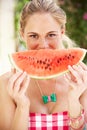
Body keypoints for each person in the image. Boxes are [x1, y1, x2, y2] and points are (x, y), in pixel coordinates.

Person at [0, 0, 87, 130]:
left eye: (51, 35)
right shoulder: (5, 84)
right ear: (22, 35)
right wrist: (22, 106)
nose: (43, 45)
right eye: (34, 36)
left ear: (62, 32)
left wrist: (73, 100)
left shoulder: (82, 79)